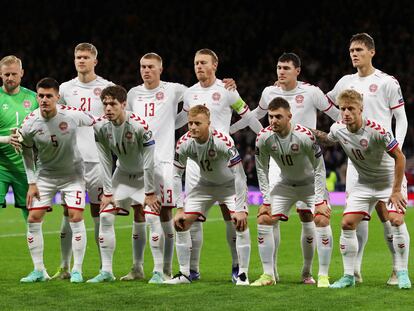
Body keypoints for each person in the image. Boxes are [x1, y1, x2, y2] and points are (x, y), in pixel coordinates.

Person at [125, 52, 236, 281]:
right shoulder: (133, 93)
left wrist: (226, 86)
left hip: (167, 160)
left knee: (166, 214)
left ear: (160, 69)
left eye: (151, 67)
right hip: (141, 162)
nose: (146, 70)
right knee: (147, 214)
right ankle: (154, 268)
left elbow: (202, 90)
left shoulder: (176, 89)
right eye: (143, 67)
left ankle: (164, 269)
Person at [231, 52, 339, 285]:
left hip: (307, 161)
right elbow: (255, 115)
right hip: (279, 164)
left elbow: (336, 115)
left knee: (309, 217)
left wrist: (337, 136)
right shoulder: (269, 92)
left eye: (286, 68)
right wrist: (232, 128)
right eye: (278, 67)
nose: (280, 72)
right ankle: (271, 272)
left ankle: (308, 273)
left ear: (297, 71)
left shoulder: (311, 92)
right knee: (267, 216)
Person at [326, 33, 408, 285]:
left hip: (384, 156)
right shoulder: (345, 82)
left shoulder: (387, 82)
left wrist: (396, 151)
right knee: (355, 216)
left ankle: (397, 270)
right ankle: (355, 271)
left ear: (372, 52)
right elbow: (326, 102)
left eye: (359, 49)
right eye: (351, 50)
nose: (354, 53)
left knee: (388, 217)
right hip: (357, 161)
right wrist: (288, 87)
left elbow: (401, 119)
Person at [175, 48, 262, 282]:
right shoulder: (189, 93)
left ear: (215, 64)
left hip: (224, 156)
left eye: (203, 62)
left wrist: (262, 134)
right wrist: (162, 128)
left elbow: (248, 115)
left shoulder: (227, 90)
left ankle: (237, 269)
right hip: (197, 162)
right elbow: (184, 120)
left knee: (230, 216)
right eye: (196, 63)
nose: (199, 66)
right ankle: (191, 270)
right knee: (192, 218)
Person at [313, 89, 410, 289]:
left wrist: (396, 190)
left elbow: (400, 157)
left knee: (396, 220)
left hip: (389, 182)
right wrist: (307, 131)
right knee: (347, 223)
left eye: (351, 108)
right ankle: (349, 276)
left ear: (361, 109)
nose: (346, 113)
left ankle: (402, 272)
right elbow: (329, 140)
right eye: (343, 109)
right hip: (364, 183)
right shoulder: (338, 128)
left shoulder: (378, 130)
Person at [19, 77, 95, 283]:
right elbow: (25, 149)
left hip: (73, 175)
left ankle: (76, 270)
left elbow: (96, 122)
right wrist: (31, 182)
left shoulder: (71, 114)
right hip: (45, 176)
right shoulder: (30, 122)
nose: (44, 100)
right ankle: (38, 270)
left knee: (76, 217)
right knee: (33, 218)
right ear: (37, 97)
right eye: (41, 96)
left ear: (57, 97)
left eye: (49, 96)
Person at [164, 105, 250, 285]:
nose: (193, 127)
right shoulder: (184, 143)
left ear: (208, 124)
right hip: (204, 186)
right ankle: (185, 274)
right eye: (190, 123)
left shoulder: (222, 141)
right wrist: (179, 208)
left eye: (197, 123)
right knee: (181, 223)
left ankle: (242, 273)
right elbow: (176, 175)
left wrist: (241, 208)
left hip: (228, 186)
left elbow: (239, 175)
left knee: (239, 223)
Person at [252, 97, 330, 287]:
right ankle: (268, 275)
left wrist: (320, 200)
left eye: (278, 116)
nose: (273, 121)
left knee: (320, 219)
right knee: (264, 218)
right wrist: (266, 200)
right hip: (285, 184)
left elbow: (319, 169)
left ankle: (321, 275)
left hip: (310, 185)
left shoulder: (304, 136)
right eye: (270, 117)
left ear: (289, 116)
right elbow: (261, 169)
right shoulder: (263, 137)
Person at [52, 43, 114, 280]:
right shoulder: (65, 89)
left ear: (95, 61)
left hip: (98, 159)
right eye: (78, 57)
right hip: (71, 161)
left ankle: (103, 268)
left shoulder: (107, 87)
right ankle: (65, 267)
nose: (81, 61)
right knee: (68, 213)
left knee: (100, 213)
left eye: (86, 57)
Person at [87, 85, 161, 283]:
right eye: (105, 104)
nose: (108, 108)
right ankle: (107, 271)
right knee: (105, 216)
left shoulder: (140, 126)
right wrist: (108, 192)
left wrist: (151, 191)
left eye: (113, 104)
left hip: (145, 176)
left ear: (124, 104)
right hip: (122, 174)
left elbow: (149, 162)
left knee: (151, 218)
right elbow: (104, 159)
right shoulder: (100, 126)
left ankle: (154, 271)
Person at [0, 55, 38, 222]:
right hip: (1, 167)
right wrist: (7, 139)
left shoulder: (35, 99)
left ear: (22, 73)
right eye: (6, 74)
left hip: (27, 168)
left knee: (33, 218)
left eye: (14, 74)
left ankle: (36, 249)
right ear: (0, 74)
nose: (10, 78)